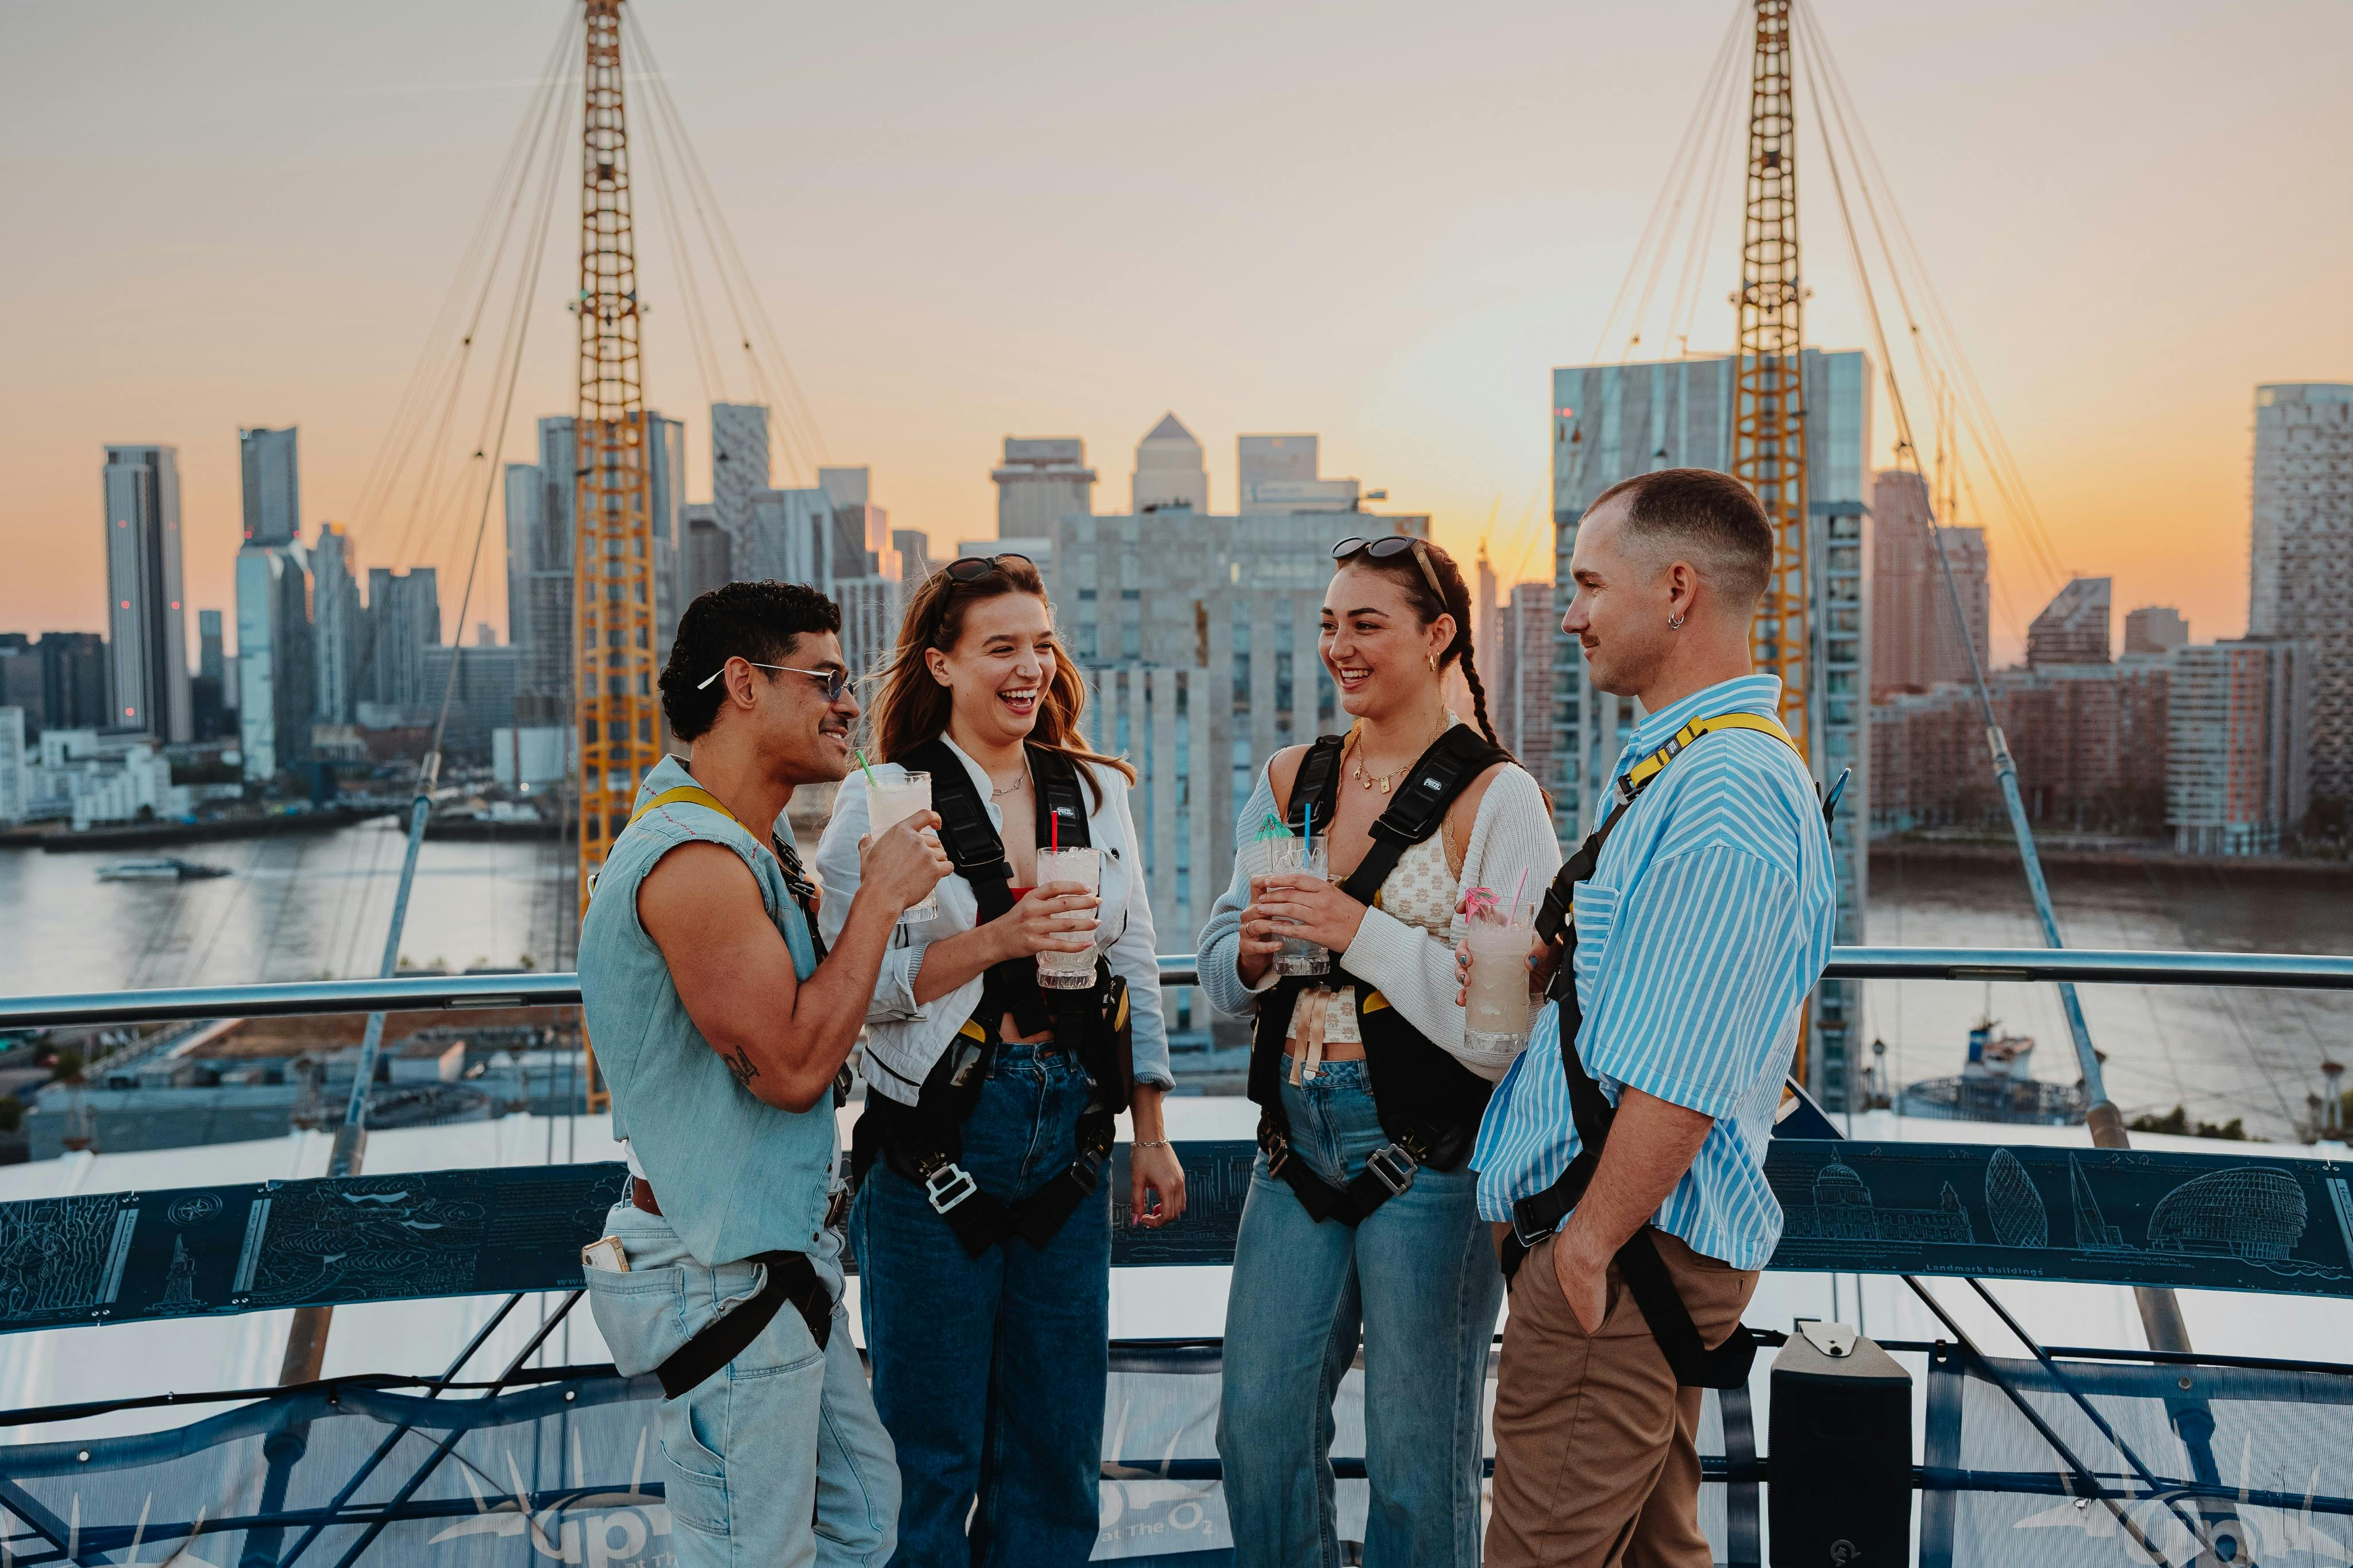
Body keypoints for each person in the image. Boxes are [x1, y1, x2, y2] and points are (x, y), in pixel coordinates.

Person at [1470, 468, 1837, 1567]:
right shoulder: (1687, 774)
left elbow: (1680, 1075)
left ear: (1677, 589)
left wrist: (1582, 1250)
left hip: (1621, 1259)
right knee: (1653, 1552)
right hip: (1630, 1258)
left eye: (1587, 584)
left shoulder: (1724, 794)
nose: (1571, 613)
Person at [817, 551, 1187, 1568]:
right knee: (927, 1463)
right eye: (1000, 648)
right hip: (936, 1143)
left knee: (1056, 1457)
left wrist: (1150, 1129)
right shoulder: (883, 802)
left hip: (1070, 1133)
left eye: (1040, 644)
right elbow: (853, 992)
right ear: (940, 663)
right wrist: (996, 941)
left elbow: (1137, 959)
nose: (1029, 667)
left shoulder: (1093, 794)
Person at [1196, 535, 1560, 1567]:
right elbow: (1221, 975)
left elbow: (1504, 1041)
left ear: (1439, 634)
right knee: (1256, 1430)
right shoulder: (1291, 778)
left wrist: (1361, 931)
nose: (1338, 647)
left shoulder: (1499, 802)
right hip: (1293, 1149)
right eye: (1327, 624)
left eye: (1366, 624)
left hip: (1433, 1164)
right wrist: (1256, 953)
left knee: (1418, 1457)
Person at [578, 581, 950, 1568]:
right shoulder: (694, 861)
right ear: (742, 683)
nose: (848, 704)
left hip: (777, 1262)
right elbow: (786, 1067)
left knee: (866, 1518)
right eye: (824, 678)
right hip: (719, 1275)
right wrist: (877, 904)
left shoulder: (757, 846)